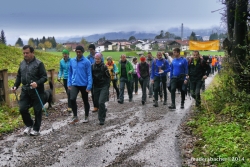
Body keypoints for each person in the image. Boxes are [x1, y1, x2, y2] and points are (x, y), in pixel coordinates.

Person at [12, 45, 47, 136]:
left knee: (37, 110)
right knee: (22, 108)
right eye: (24, 53)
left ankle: (36, 129)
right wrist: (15, 86)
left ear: (32, 53)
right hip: (25, 90)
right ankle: (29, 124)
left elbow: (44, 77)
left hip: (37, 90)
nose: (25, 54)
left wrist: (37, 83)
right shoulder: (22, 63)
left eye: (27, 53)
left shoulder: (39, 63)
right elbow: (19, 76)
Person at [68, 45, 92, 124]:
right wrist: (69, 83)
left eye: (80, 52)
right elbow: (70, 72)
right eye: (77, 52)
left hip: (84, 84)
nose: (78, 53)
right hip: (75, 83)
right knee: (72, 98)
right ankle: (75, 116)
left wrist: (89, 85)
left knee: (85, 100)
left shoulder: (86, 62)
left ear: (82, 52)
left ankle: (86, 116)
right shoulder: (72, 61)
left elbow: (89, 74)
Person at [92, 53, 110, 125]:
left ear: (101, 59)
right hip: (96, 87)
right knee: (97, 102)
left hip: (103, 86)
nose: (97, 60)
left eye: (98, 59)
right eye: (96, 59)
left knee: (101, 102)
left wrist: (107, 87)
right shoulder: (92, 67)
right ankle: (103, 110)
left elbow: (108, 77)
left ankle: (101, 119)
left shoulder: (104, 67)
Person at [87, 44, 104, 112]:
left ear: (94, 49)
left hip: (99, 76)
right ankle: (95, 106)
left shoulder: (99, 55)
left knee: (100, 93)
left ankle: (101, 105)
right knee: (93, 93)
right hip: (92, 76)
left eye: (92, 49)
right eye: (90, 50)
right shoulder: (88, 57)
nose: (91, 51)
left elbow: (102, 64)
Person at [58, 49, 72, 113]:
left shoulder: (71, 61)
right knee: (68, 92)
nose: (64, 55)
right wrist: (59, 76)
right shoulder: (61, 61)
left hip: (71, 78)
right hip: (65, 78)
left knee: (69, 92)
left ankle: (70, 107)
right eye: (63, 54)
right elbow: (61, 70)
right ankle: (71, 104)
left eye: (66, 54)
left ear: (68, 54)